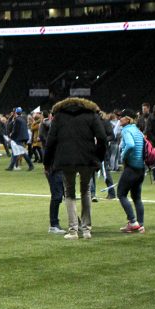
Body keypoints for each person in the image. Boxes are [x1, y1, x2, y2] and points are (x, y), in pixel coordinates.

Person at [43, 97, 108, 241]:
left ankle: (73, 231)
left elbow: (50, 141)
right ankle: (86, 230)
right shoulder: (91, 114)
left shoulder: (59, 116)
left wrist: (47, 163)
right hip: (86, 159)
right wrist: (98, 158)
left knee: (69, 193)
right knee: (86, 191)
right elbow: (102, 138)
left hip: (66, 160)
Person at [115, 109, 146, 234]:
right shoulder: (138, 130)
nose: (119, 119)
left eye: (121, 117)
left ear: (128, 119)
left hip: (131, 168)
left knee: (121, 194)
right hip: (141, 168)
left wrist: (122, 156)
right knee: (136, 197)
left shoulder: (126, 130)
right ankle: (140, 224)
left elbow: (130, 145)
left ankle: (133, 222)